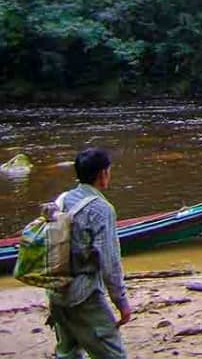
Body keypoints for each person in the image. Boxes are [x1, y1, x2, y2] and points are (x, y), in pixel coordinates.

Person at [47, 147, 131, 359]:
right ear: (103, 174)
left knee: (67, 352)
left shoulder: (63, 199)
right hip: (84, 296)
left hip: (56, 291)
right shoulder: (102, 209)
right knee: (113, 354)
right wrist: (120, 301)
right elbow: (109, 262)